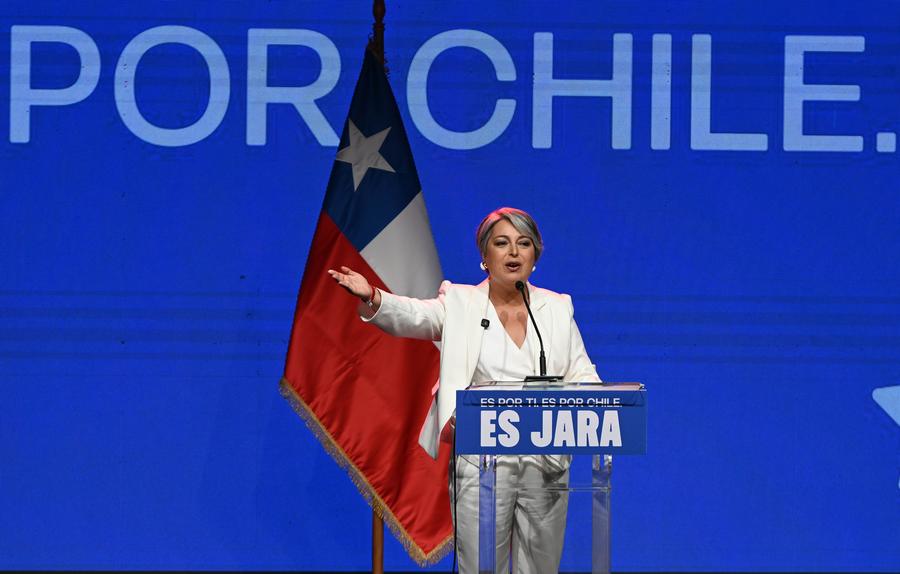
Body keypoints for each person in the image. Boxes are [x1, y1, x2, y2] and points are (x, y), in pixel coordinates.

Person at [328, 207, 601, 573]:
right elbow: (416, 315)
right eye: (502, 243)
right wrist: (375, 297)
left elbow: (581, 373)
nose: (514, 252)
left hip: (544, 461)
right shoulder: (460, 303)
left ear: (535, 255)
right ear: (485, 257)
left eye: (524, 244)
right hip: (482, 460)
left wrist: (603, 406)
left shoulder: (555, 308)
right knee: (478, 567)